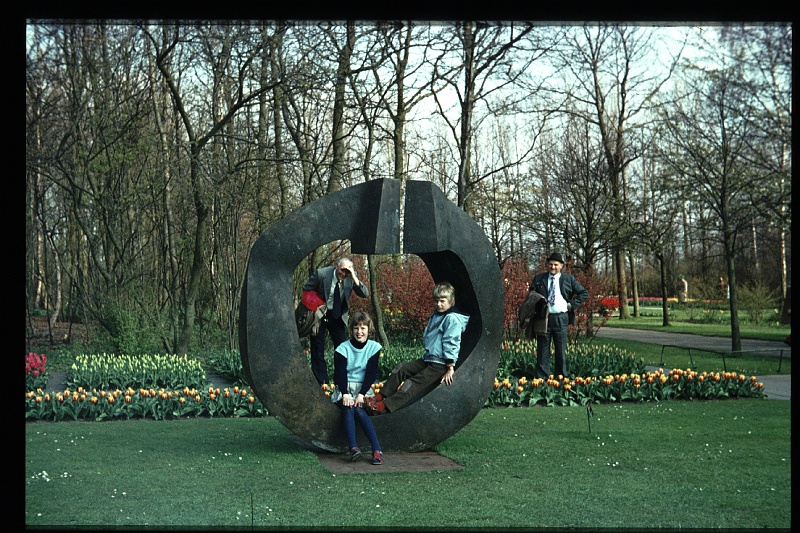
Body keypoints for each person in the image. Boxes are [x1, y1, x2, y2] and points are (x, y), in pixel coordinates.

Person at [366, 281, 469, 414]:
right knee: (401, 368)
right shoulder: (437, 315)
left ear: (451, 301)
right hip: (429, 359)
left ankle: (382, 407)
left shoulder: (452, 319)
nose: (438, 304)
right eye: (436, 301)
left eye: (442, 301)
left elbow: (451, 341)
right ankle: (380, 396)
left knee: (411, 383)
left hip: (440, 364)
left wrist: (450, 367)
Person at [303, 257, 369, 385]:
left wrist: (353, 277)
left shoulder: (350, 278)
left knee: (342, 348)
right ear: (336, 266)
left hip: (337, 315)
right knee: (317, 349)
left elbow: (364, 294)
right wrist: (316, 304)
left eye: (347, 272)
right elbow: (306, 289)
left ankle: (340, 382)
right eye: (342, 270)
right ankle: (322, 383)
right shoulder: (321, 274)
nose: (343, 274)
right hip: (319, 314)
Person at [331, 311, 384, 465]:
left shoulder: (373, 347)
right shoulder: (343, 348)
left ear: (369, 329)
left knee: (359, 410)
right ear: (351, 329)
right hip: (345, 387)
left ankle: (376, 449)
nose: (359, 332)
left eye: (363, 328)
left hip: (363, 388)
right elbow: (340, 374)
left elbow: (371, 374)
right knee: (349, 408)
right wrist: (345, 394)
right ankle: (354, 448)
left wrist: (361, 394)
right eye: (356, 328)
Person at [528, 252, 588, 380]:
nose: (553, 267)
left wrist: (572, 304)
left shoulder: (568, 279)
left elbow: (584, 293)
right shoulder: (539, 279)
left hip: (561, 319)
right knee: (542, 350)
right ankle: (542, 379)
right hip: (543, 319)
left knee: (560, 350)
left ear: (561, 266)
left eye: (556, 265)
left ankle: (560, 379)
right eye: (550, 264)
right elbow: (531, 294)